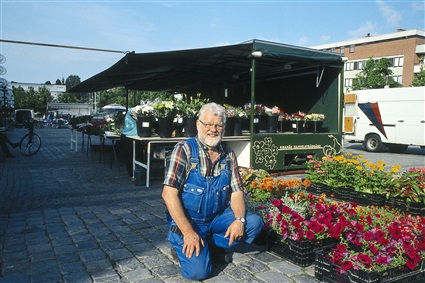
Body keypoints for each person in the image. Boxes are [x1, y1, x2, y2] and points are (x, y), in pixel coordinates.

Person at [162, 102, 264, 280]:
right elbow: (168, 193)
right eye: (208, 124)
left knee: (253, 223)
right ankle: (181, 244)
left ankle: (212, 246)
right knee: (199, 273)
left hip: (216, 218)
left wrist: (239, 220)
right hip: (190, 222)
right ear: (198, 124)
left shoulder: (228, 155)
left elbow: (237, 192)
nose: (213, 129)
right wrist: (188, 233)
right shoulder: (184, 150)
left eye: (218, 125)